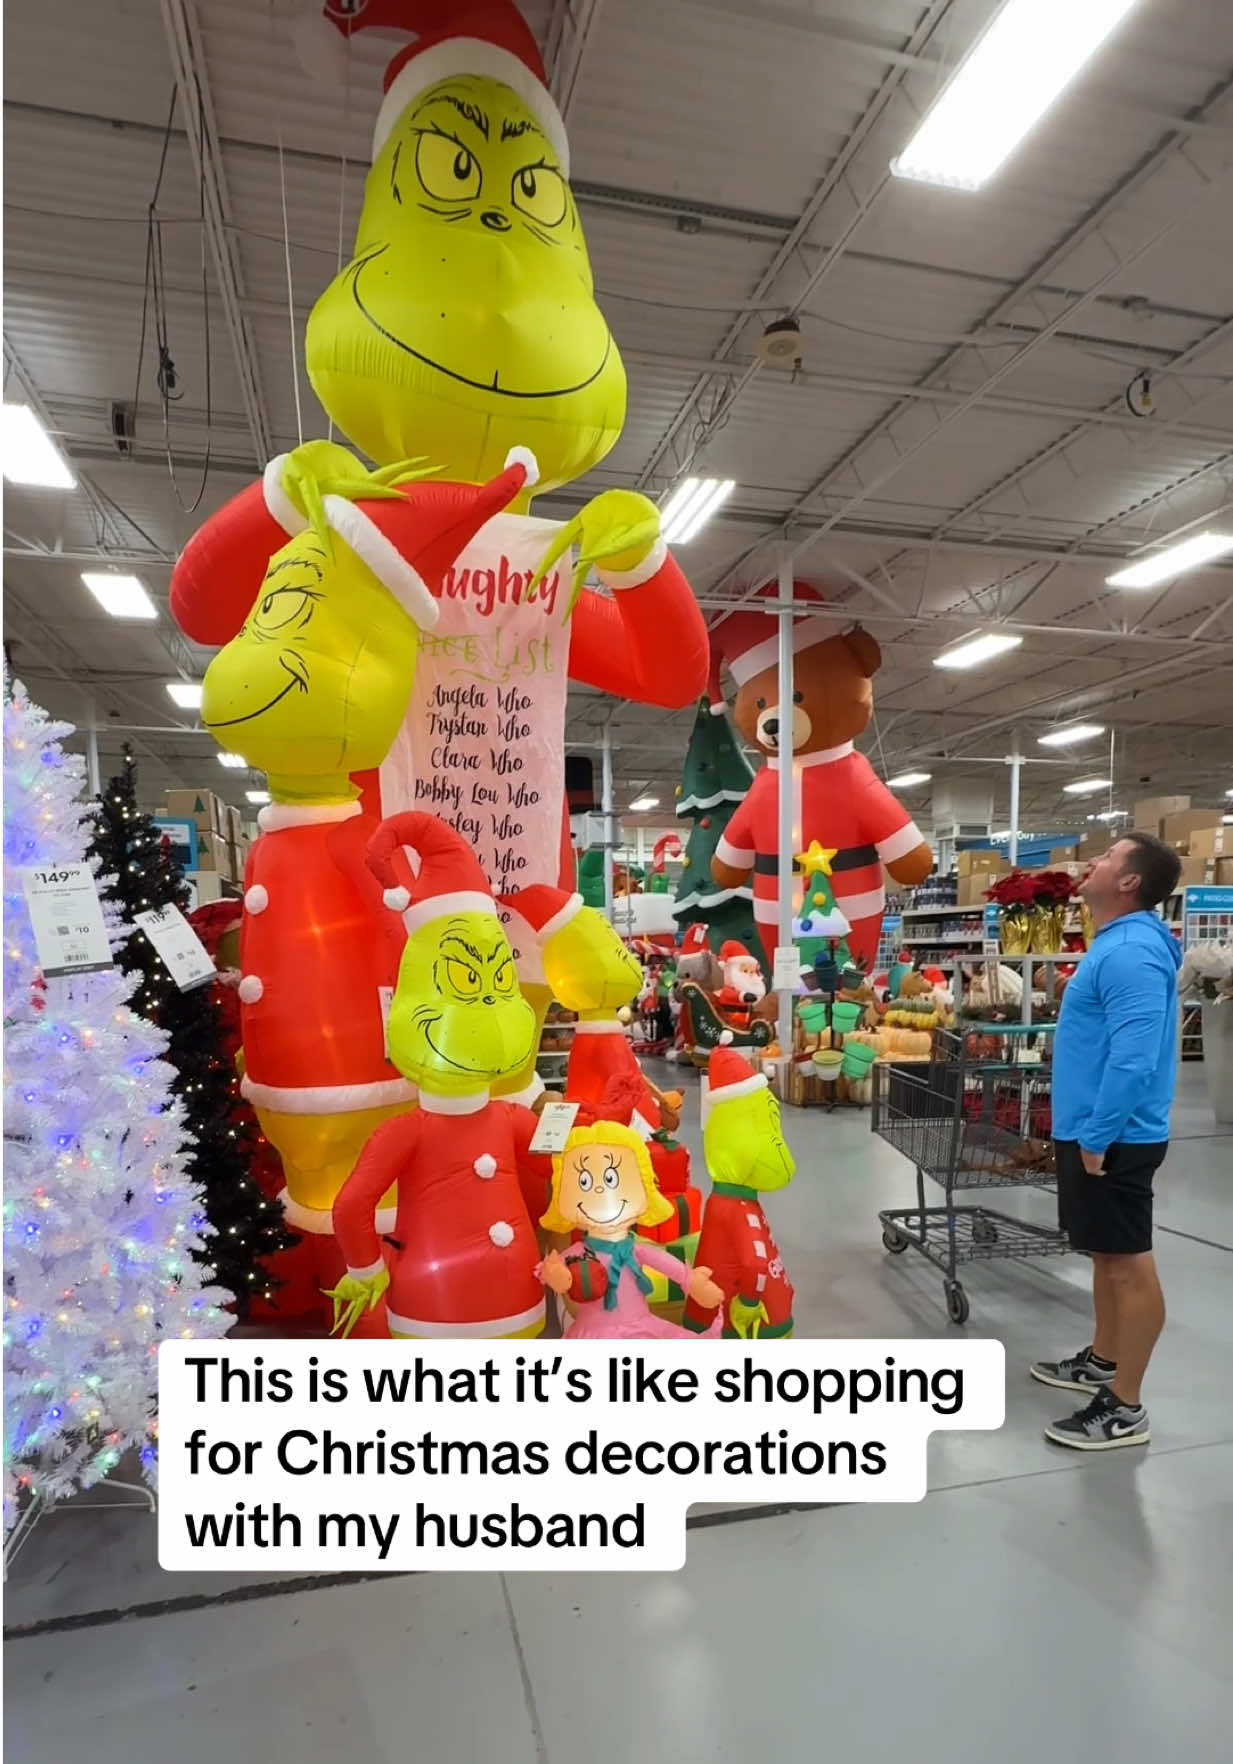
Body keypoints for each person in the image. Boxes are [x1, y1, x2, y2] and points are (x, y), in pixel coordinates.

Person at [1032, 831, 1182, 1450]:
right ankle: (1103, 1358)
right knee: (1104, 1256)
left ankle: (1127, 1406)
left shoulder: (1131, 954)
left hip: (1114, 1133)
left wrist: (1097, 1134)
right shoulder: (1116, 944)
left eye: (1109, 857)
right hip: (1093, 1127)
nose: (1092, 862)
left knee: (1127, 1264)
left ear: (1129, 882)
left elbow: (1135, 1059)